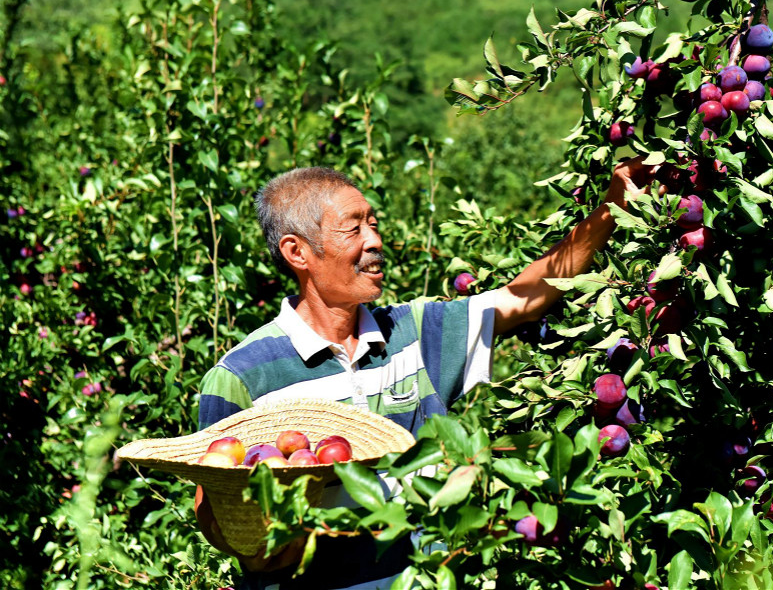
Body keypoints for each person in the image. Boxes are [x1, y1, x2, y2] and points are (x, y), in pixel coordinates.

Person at [195, 160, 654, 589]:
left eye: (373, 223)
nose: (374, 240)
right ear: (297, 252)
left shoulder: (415, 333)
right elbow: (213, 509)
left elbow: (525, 296)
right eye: (353, 228)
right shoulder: (242, 375)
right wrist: (259, 547)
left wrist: (612, 207)